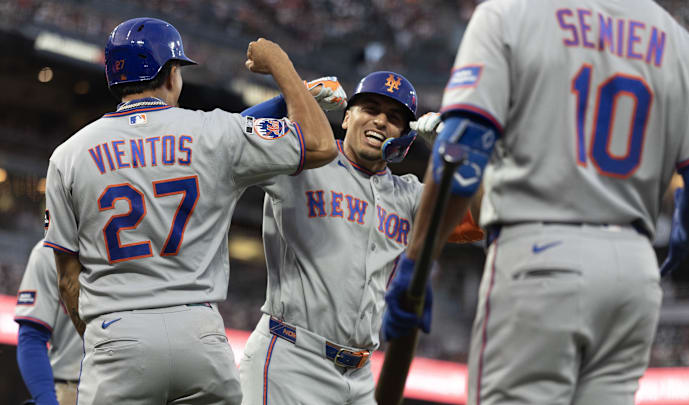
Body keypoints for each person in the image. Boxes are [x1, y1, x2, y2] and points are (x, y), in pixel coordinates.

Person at [382, 1, 689, 404]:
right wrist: (688, 235)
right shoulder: (684, 45)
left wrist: (419, 257)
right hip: (633, 270)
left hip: (539, 252)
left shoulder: (508, 15)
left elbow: (463, 151)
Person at [42, 17, 336, 405]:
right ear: (170, 74)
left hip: (116, 331)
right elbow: (320, 143)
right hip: (199, 333)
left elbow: (67, 280)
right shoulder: (213, 131)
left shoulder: (69, 155)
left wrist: (109, 338)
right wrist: (280, 63)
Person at [236, 71, 483, 405]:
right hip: (292, 360)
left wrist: (451, 154)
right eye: (371, 109)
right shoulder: (302, 159)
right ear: (347, 117)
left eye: (394, 118)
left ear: (405, 138)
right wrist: (291, 98)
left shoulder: (409, 196)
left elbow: (482, 216)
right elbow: (227, 143)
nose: (381, 121)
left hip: (361, 376)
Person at [15, 240, 83, 405]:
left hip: (137, 382)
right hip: (73, 388)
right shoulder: (48, 250)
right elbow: (31, 337)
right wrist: (46, 400)